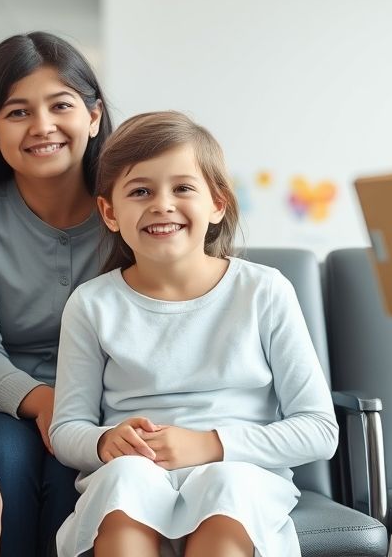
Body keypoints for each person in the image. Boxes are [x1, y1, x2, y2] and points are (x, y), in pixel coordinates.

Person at [50, 111, 339, 557]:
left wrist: (209, 445)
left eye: (182, 188)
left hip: (236, 473)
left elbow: (319, 430)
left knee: (226, 483)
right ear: (109, 212)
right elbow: (68, 429)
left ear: (217, 204)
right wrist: (105, 440)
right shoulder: (92, 304)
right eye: (140, 191)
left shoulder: (264, 290)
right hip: (133, 475)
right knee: (127, 480)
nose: (162, 204)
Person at [0, 32, 113, 557]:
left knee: (75, 461)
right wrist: (44, 402)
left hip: (97, 398)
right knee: (8, 455)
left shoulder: (129, 208)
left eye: (61, 105)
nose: (42, 127)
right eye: (17, 112)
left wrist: (76, 411)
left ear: (93, 117)